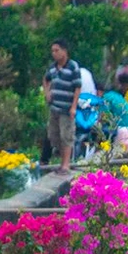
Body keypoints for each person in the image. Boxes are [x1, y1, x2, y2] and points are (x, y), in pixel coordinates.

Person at [41, 39, 83, 170]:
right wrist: (47, 92)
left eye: (56, 50)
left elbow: (77, 87)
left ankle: (65, 164)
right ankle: (60, 160)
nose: (54, 53)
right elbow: (46, 79)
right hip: (54, 107)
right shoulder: (52, 67)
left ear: (64, 51)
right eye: (52, 51)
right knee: (53, 135)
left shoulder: (72, 66)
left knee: (66, 135)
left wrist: (74, 107)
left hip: (67, 108)